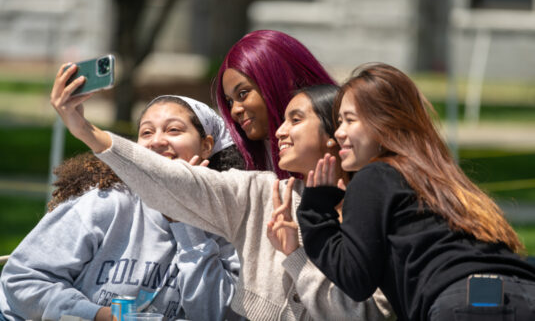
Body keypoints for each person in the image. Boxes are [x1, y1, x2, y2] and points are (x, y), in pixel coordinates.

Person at [50, 64, 395, 321]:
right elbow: (174, 183)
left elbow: (367, 314)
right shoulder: (261, 191)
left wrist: (294, 256)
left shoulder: (375, 207)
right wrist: (87, 131)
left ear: (333, 134)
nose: (279, 131)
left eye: (295, 119)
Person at [293, 62, 535, 321]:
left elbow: (355, 278)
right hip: (520, 292)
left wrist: (316, 212)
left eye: (350, 120)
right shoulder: (440, 176)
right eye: (338, 122)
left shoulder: (375, 175)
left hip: (464, 302)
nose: (339, 133)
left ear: (385, 122)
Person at [0, 95, 244, 321]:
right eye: (146, 132)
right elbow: (22, 279)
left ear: (206, 146)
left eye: (173, 130)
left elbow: (218, 314)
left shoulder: (225, 225)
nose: (157, 141)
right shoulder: (106, 202)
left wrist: (185, 222)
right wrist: (97, 315)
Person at [214, 29, 336, 179]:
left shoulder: (354, 155)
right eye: (229, 102)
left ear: (281, 80)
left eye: (243, 93)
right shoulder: (240, 167)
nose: (234, 110)